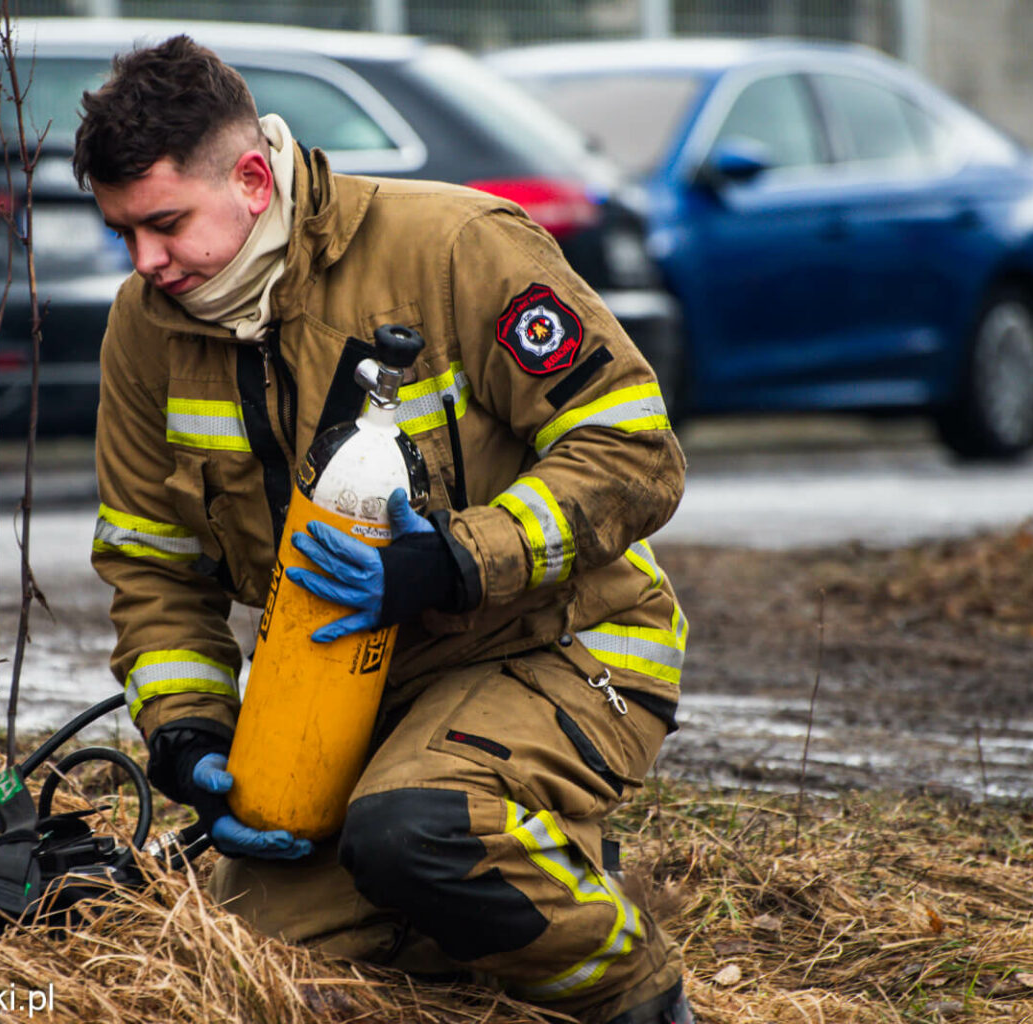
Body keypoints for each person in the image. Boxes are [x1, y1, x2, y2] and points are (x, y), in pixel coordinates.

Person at [76, 35, 693, 1024]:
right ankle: (476, 893)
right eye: (123, 235)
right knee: (240, 957)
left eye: (164, 225)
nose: (145, 263)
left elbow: (633, 449)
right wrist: (190, 734)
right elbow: (153, 565)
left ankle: (639, 996)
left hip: (559, 642)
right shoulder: (145, 330)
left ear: (249, 176)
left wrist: (454, 561)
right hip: (351, 697)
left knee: (418, 828)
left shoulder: (454, 247)